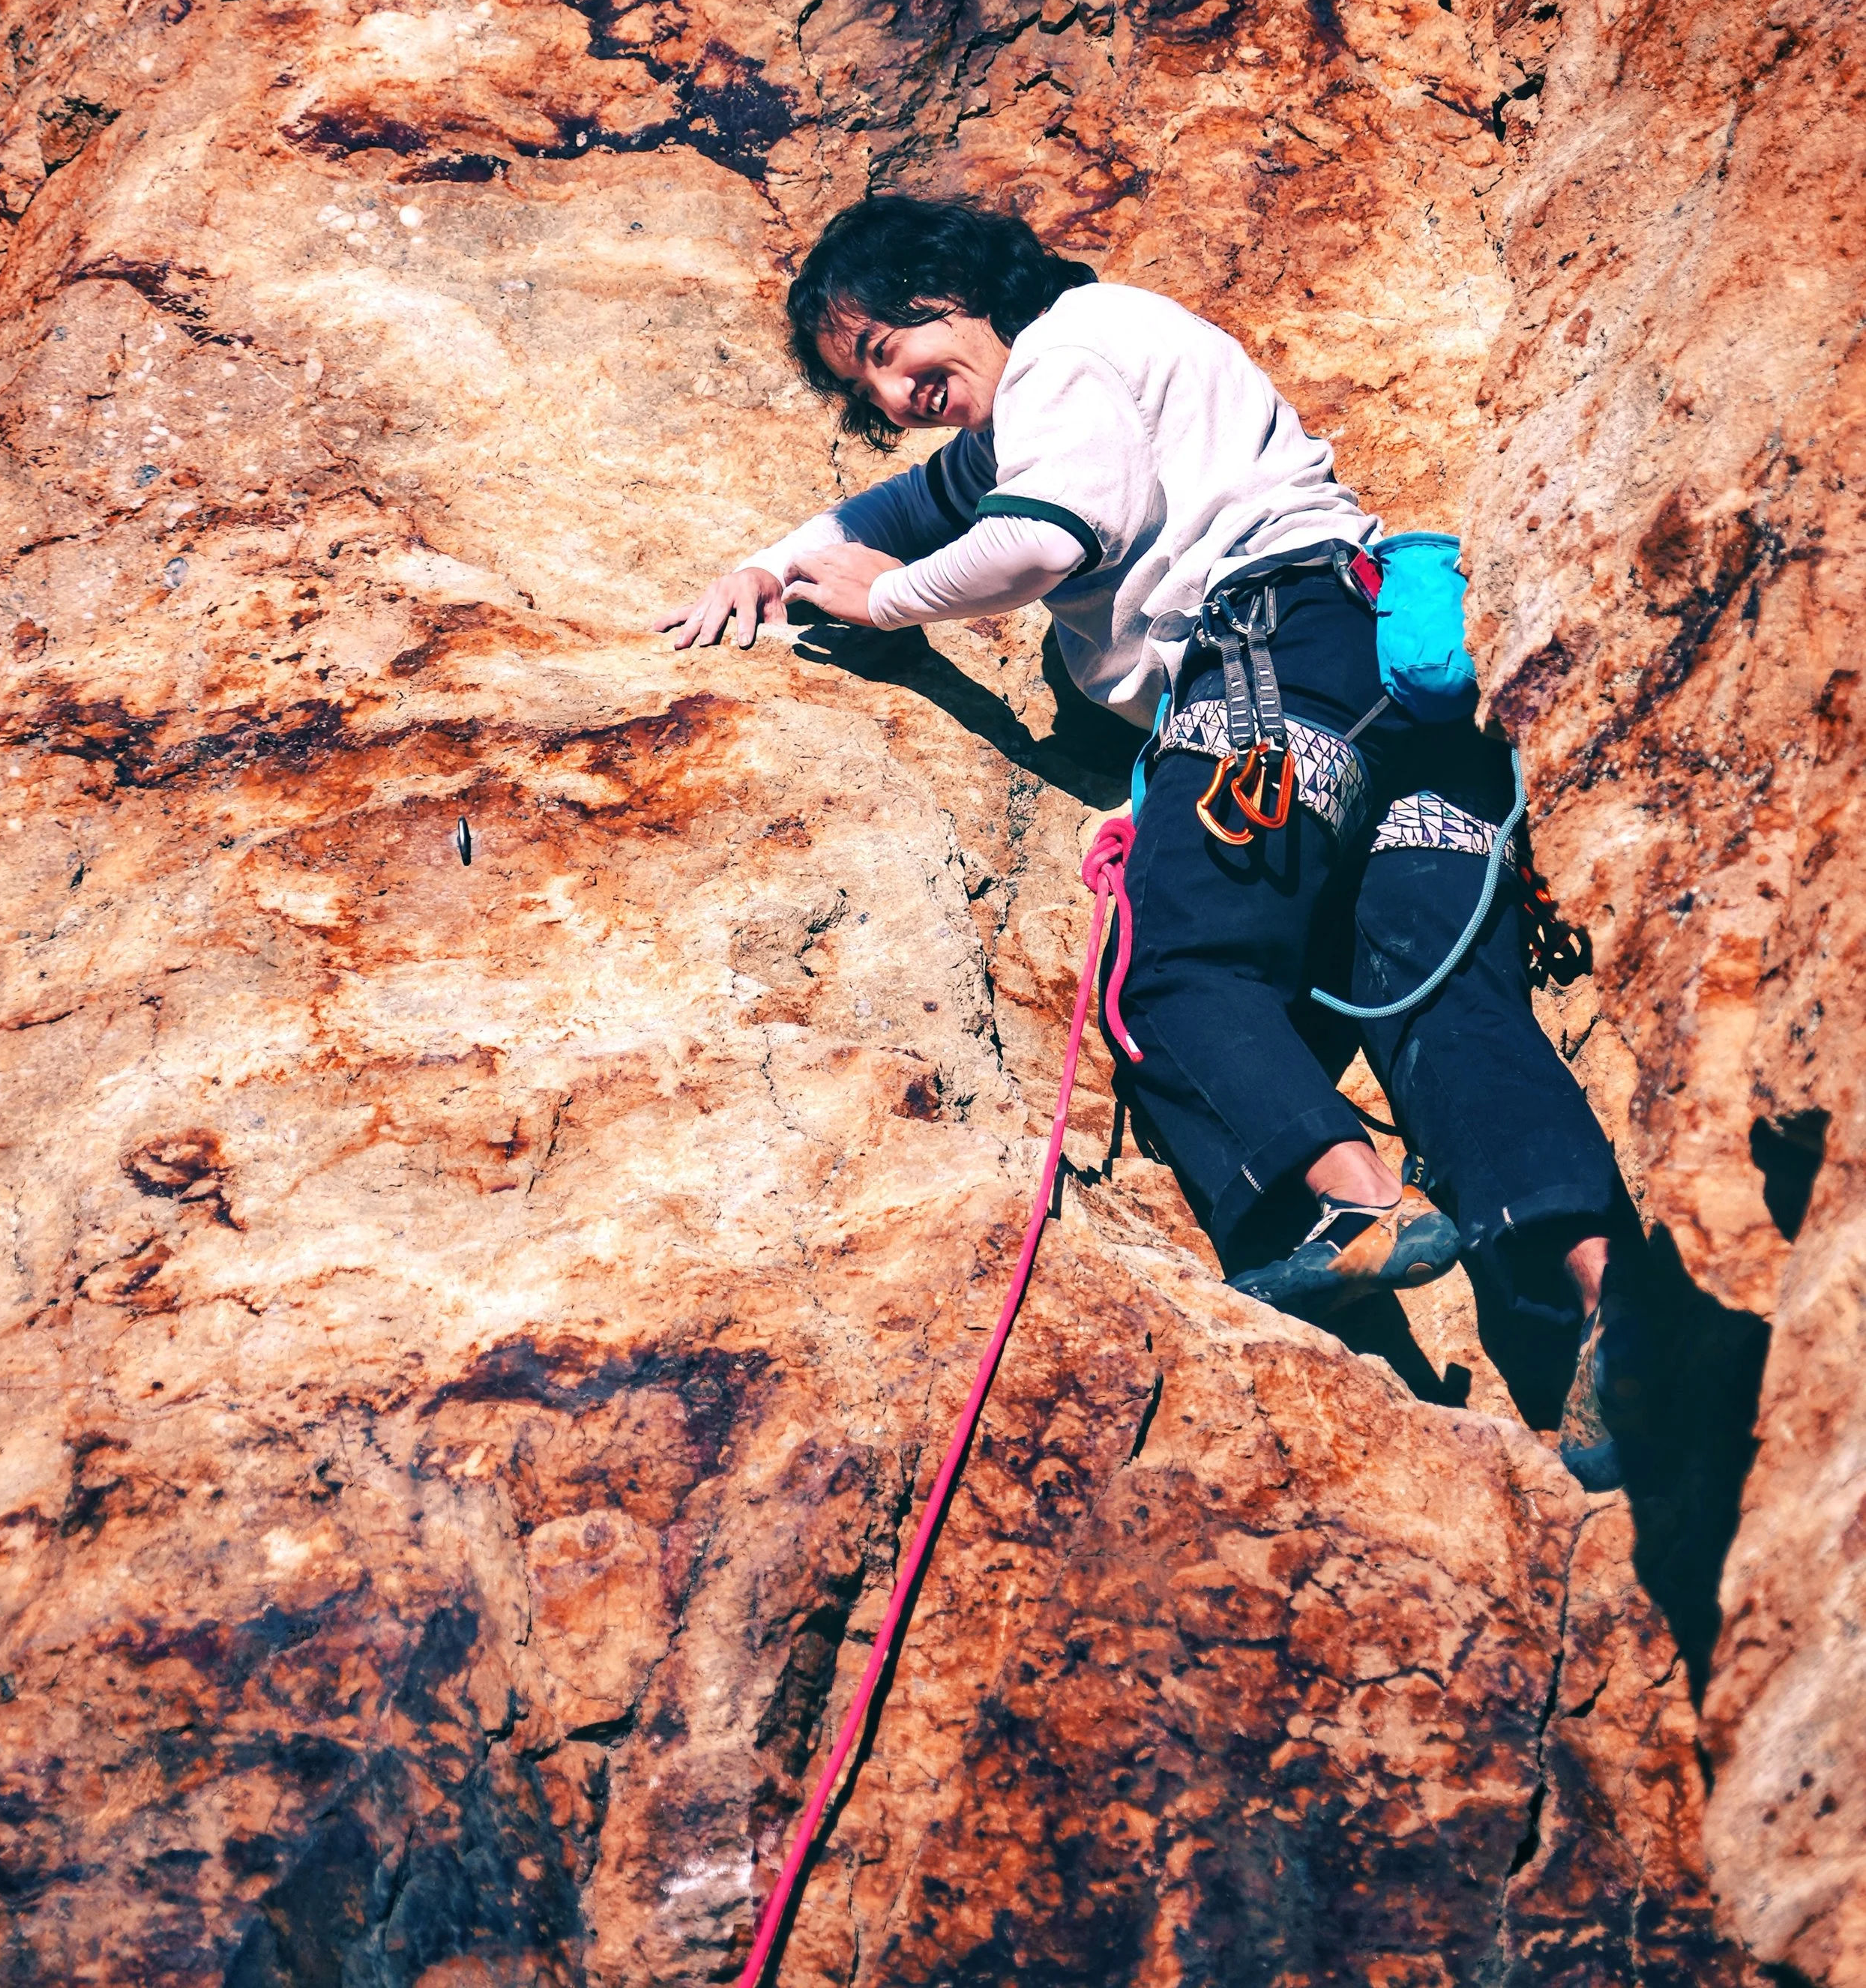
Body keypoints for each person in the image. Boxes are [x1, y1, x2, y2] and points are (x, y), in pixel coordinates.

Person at [656, 196, 1641, 1488]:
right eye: (869, 381)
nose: (895, 391)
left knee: (1175, 967)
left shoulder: (1069, 348)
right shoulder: (1067, 382)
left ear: (956, 285)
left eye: (892, 345)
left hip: (1272, 662)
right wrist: (772, 564)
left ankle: (1357, 1202)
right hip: (1400, 703)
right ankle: (1611, 1298)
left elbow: (1052, 534)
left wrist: (886, 605)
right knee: (1440, 1006)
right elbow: (901, 503)